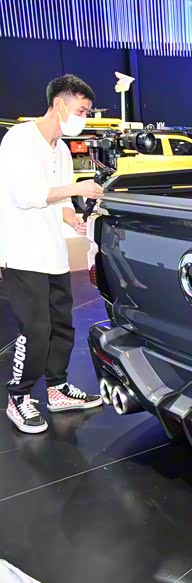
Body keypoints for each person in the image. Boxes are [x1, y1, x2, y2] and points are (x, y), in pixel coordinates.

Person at [0, 74, 104, 434]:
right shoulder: (19, 139)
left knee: (61, 324)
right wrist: (77, 187)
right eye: (81, 110)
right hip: (22, 252)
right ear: (59, 104)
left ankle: (57, 388)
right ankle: (19, 396)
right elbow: (25, 195)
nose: (84, 118)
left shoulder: (61, 148)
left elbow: (56, 198)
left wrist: (70, 216)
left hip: (53, 251)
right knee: (35, 328)